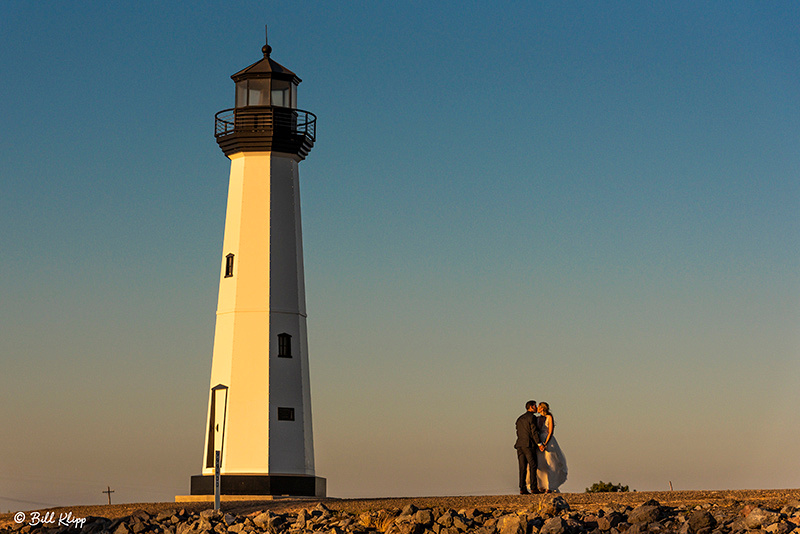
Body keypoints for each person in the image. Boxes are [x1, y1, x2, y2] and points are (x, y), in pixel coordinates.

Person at [535, 401, 568, 492]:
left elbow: (550, 431)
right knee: (540, 463)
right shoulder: (537, 418)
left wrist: (545, 443)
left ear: (542, 408)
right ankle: (541, 485)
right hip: (539, 440)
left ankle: (551, 486)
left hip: (548, 440)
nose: (537, 408)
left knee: (551, 462)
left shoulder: (549, 417)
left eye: (538, 406)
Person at [514, 400, 545, 494]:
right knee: (533, 465)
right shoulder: (532, 418)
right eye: (535, 406)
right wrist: (539, 443)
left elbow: (518, 431)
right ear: (531, 407)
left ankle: (522, 488)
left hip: (519, 444)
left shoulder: (519, 418)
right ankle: (533, 488)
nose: (536, 408)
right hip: (529, 445)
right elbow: (534, 432)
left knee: (522, 467)